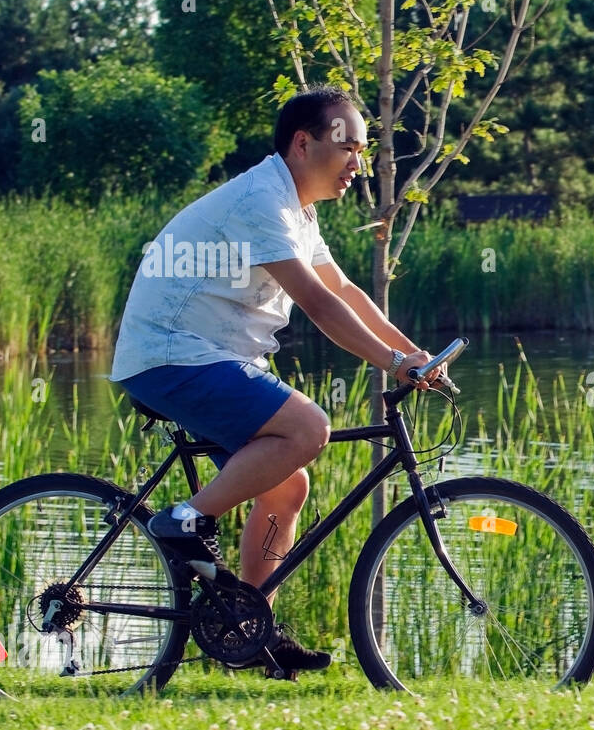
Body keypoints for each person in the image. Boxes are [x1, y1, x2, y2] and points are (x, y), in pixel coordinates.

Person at [110, 86, 435, 678]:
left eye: (363, 149)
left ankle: (250, 635)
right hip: (169, 354)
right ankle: (183, 521)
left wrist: (415, 354)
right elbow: (315, 302)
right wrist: (392, 363)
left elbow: (342, 290)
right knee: (309, 426)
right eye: (348, 146)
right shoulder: (264, 199)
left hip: (204, 354)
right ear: (303, 143)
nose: (357, 163)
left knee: (287, 486)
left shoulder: (297, 209)